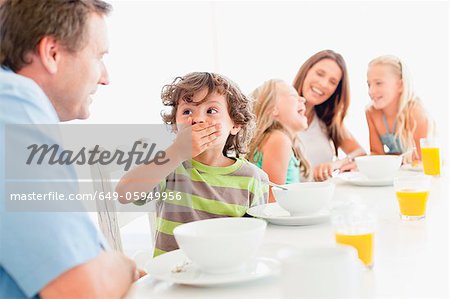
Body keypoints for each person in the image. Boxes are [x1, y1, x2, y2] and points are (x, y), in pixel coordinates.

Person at [0, 1, 139, 298]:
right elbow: (84, 290)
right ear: (52, 53)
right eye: (99, 56)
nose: (105, 77)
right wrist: (123, 266)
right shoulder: (11, 103)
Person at [116, 72, 269, 257]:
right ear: (175, 125)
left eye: (211, 111)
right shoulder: (169, 166)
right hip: (173, 275)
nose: (197, 119)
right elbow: (125, 194)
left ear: (235, 124)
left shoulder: (254, 179)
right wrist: (177, 152)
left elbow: (255, 242)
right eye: (187, 111)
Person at [293, 49, 365, 181]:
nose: (324, 84)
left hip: (324, 197)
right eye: (320, 74)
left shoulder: (326, 120)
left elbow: (360, 154)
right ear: (306, 71)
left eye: (332, 82)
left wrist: (335, 165)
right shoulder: (278, 109)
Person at [247, 79, 310, 202]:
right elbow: (272, 201)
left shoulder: (277, 139)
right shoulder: (278, 140)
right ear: (273, 109)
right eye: (293, 95)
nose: (303, 99)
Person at [366, 55, 429, 162]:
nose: (371, 91)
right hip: (397, 171)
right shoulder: (371, 113)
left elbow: (422, 156)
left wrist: (390, 158)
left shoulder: (415, 111)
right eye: (369, 84)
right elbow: (376, 154)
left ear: (400, 85)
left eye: (379, 83)